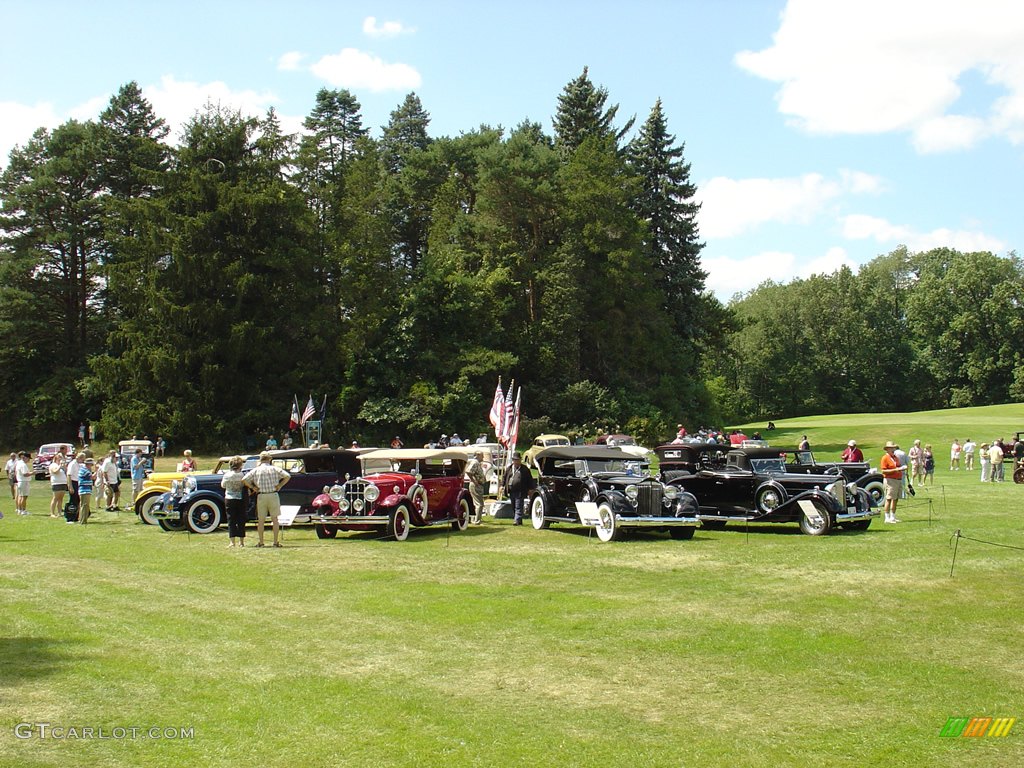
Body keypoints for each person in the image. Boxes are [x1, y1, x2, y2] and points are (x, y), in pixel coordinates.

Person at [243, 451, 290, 547]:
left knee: (261, 520)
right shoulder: (275, 468)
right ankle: (275, 542)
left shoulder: (256, 470)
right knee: (275, 519)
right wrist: (280, 485)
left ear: (260, 459)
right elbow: (287, 476)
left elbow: (244, 479)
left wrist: (253, 487)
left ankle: (261, 542)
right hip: (273, 494)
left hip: (261, 495)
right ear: (270, 459)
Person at [220, 456, 247, 547]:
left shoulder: (227, 475)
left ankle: (232, 541)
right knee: (241, 520)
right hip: (240, 498)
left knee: (231, 520)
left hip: (229, 498)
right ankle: (241, 542)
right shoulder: (242, 475)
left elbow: (223, 485)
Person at [503, 452, 535, 526]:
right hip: (511, 491)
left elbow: (530, 479)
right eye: (515, 460)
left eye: (518, 460)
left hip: (520, 490)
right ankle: (519, 520)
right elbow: (504, 478)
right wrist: (502, 485)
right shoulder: (509, 468)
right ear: (513, 460)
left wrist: (530, 489)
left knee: (518, 506)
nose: (516, 462)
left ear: (520, 460)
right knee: (514, 506)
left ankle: (516, 521)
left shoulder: (525, 469)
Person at [879, 441, 905, 523]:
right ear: (887, 449)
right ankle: (887, 517)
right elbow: (883, 471)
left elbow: (898, 466)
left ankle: (892, 516)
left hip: (898, 480)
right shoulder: (885, 458)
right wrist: (896, 470)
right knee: (889, 498)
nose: (893, 450)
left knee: (895, 499)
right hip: (890, 480)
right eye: (891, 448)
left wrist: (902, 468)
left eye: (893, 448)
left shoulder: (895, 457)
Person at [465, 450, 488, 524]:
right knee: (479, 504)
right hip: (476, 485)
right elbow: (468, 471)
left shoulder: (477, 463)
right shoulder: (475, 462)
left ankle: (474, 519)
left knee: (477, 503)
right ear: (477, 455)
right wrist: (474, 481)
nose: (483, 457)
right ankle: (477, 520)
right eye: (482, 455)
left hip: (478, 485)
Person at [48, 447, 69, 518]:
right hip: (56, 483)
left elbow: (66, 472)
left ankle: (59, 512)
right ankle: (52, 513)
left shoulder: (61, 465)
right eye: (59, 458)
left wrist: (64, 466)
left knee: (61, 499)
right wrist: (60, 466)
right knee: (55, 498)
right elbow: (55, 471)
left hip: (63, 483)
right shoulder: (53, 465)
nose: (60, 459)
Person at [77, 457, 96, 525]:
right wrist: (97, 471)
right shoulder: (84, 470)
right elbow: (92, 477)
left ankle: (81, 519)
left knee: (84, 505)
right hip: (84, 490)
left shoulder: (86, 470)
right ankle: (83, 520)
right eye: (91, 464)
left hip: (87, 489)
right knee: (85, 505)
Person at [66, 451, 82, 521]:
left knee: (78, 500)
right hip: (73, 482)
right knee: (73, 500)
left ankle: (76, 516)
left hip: (78, 482)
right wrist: (70, 486)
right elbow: (69, 475)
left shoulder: (79, 464)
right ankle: (70, 517)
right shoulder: (72, 464)